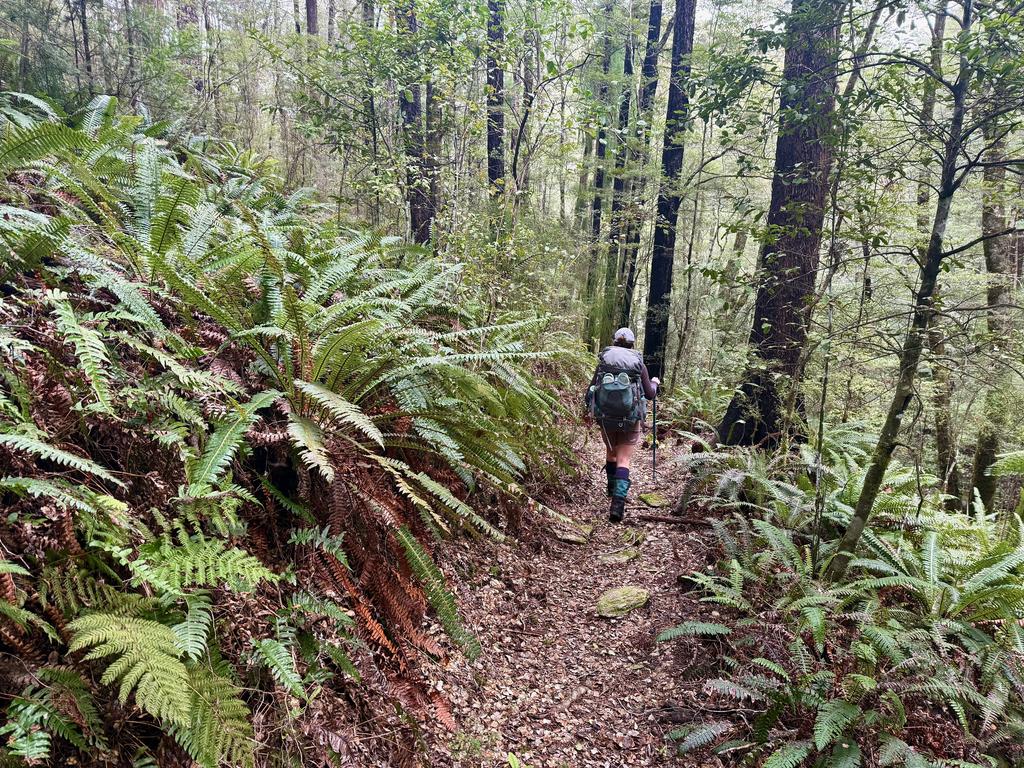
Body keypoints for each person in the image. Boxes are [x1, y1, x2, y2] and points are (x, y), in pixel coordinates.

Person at [585, 328, 659, 523]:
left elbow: (590, 390)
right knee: (623, 459)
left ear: (614, 342)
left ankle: (611, 489)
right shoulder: (638, 363)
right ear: (632, 344)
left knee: (611, 453)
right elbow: (650, 394)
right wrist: (655, 383)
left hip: (606, 416)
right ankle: (617, 506)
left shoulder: (605, 361)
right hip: (630, 417)